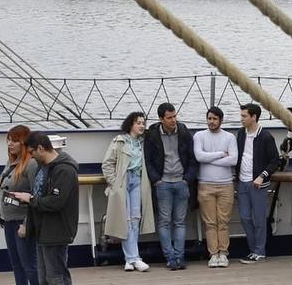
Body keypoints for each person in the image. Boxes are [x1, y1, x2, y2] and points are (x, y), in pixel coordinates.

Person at [11, 131, 79, 285]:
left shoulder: (64, 170)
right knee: (45, 278)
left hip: (57, 230)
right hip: (42, 231)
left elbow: (56, 202)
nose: (31, 156)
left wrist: (29, 199)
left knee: (57, 277)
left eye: (32, 152)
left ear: (41, 148)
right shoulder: (43, 168)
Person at [142, 101, 197, 270]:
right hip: (163, 182)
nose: (173, 120)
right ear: (161, 119)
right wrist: (156, 180)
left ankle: (180, 256)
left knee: (179, 222)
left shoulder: (183, 131)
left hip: (181, 182)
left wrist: (187, 179)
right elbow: (148, 160)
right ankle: (170, 257)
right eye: (169, 117)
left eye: (175, 116)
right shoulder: (152, 134)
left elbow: (192, 158)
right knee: (164, 221)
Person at [100, 112, 154, 273]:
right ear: (130, 124)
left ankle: (130, 259)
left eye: (143, 123)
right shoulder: (120, 141)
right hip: (123, 182)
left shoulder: (143, 143)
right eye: (138, 123)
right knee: (126, 219)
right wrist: (114, 183)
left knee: (135, 219)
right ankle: (133, 258)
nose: (142, 126)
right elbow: (107, 164)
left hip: (138, 180)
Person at [0, 126, 39, 285]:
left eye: (15, 140)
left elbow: (35, 197)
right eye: (9, 140)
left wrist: (27, 223)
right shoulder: (11, 162)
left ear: (24, 143)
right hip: (9, 219)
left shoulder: (31, 165)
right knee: (17, 263)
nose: (10, 143)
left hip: (22, 221)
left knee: (30, 264)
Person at [234, 102, 281, 262]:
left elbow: (275, 161)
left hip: (258, 184)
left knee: (259, 219)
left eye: (244, 116)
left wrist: (262, 175)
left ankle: (259, 251)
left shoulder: (266, 137)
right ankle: (253, 249)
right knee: (245, 217)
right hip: (242, 182)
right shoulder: (241, 134)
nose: (241, 119)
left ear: (254, 117)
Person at [192, 105, 238, 268]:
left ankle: (223, 253)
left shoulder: (229, 137)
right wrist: (220, 154)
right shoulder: (199, 136)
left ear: (221, 120)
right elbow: (199, 156)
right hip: (205, 184)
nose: (211, 122)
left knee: (223, 221)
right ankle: (213, 254)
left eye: (214, 119)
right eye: (209, 118)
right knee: (210, 222)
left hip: (225, 184)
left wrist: (209, 158)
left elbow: (233, 160)